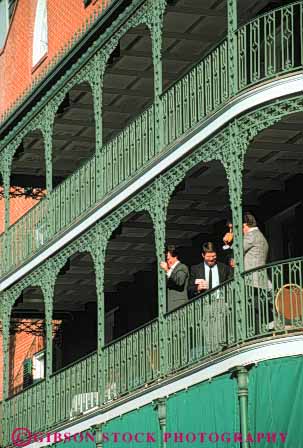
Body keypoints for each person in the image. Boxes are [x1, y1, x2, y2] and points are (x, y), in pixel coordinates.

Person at [160, 245, 189, 312]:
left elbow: (180, 281)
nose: (167, 262)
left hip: (179, 307)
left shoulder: (182, 267)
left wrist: (167, 270)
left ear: (175, 257)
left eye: (168, 259)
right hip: (169, 308)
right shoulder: (169, 271)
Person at [243, 212, 269, 287]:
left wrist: (228, 243)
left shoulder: (251, 236)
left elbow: (238, 250)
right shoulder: (259, 235)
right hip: (260, 277)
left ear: (244, 225)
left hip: (252, 280)